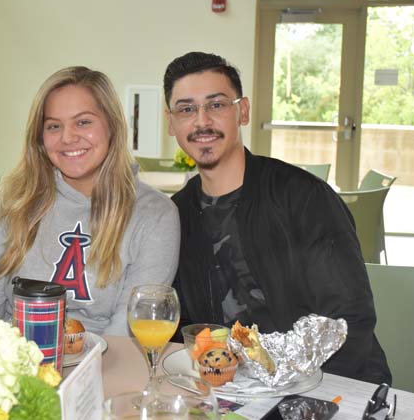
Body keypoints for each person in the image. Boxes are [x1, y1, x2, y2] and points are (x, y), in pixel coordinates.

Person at [164, 51, 391, 384]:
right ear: (171, 123)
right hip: (229, 391)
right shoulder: (177, 214)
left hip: (326, 385)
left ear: (242, 111)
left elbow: (349, 321)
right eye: (186, 109)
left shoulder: (303, 199)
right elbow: (180, 328)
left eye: (216, 105)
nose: (201, 122)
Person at [0, 66, 179, 335]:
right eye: (54, 126)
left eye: (83, 122)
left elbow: (128, 332)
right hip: (15, 363)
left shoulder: (155, 214)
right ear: (40, 138)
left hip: (109, 365)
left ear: (112, 125)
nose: (67, 137)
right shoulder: (11, 202)